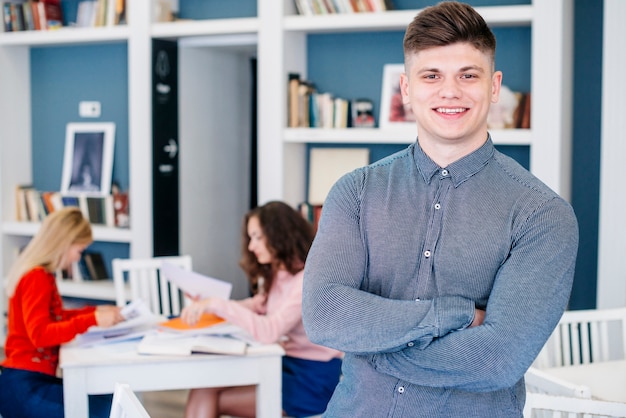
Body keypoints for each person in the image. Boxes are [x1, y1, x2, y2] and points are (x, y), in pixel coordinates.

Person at [302, 2, 579, 417]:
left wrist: (375, 348)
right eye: (431, 75)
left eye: (469, 75)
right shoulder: (355, 193)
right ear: (407, 88)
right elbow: (324, 315)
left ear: (494, 86)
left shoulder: (541, 215)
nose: (450, 91)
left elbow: (497, 359)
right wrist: (454, 315)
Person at [181, 201, 343, 418]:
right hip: (284, 363)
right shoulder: (280, 272)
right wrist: (208, 303)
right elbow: (258, 305)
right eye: (250, 238)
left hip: (311, 376)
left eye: (257, 237)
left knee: (209, 395)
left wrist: (217, 305)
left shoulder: (306, 281)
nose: (251, 246)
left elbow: (269, 330)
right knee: (204, 387)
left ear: (279, 235)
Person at [0, 207, 124, 418]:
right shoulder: (36, 277)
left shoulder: (43, 275)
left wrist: (95, 312)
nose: (78, 258)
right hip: (24, 386)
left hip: (30, 380)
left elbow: (56, 318)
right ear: (63, 245)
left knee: (110, 401)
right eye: (79, 251)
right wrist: (92, 319)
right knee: (107, 408)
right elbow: (40, 334)